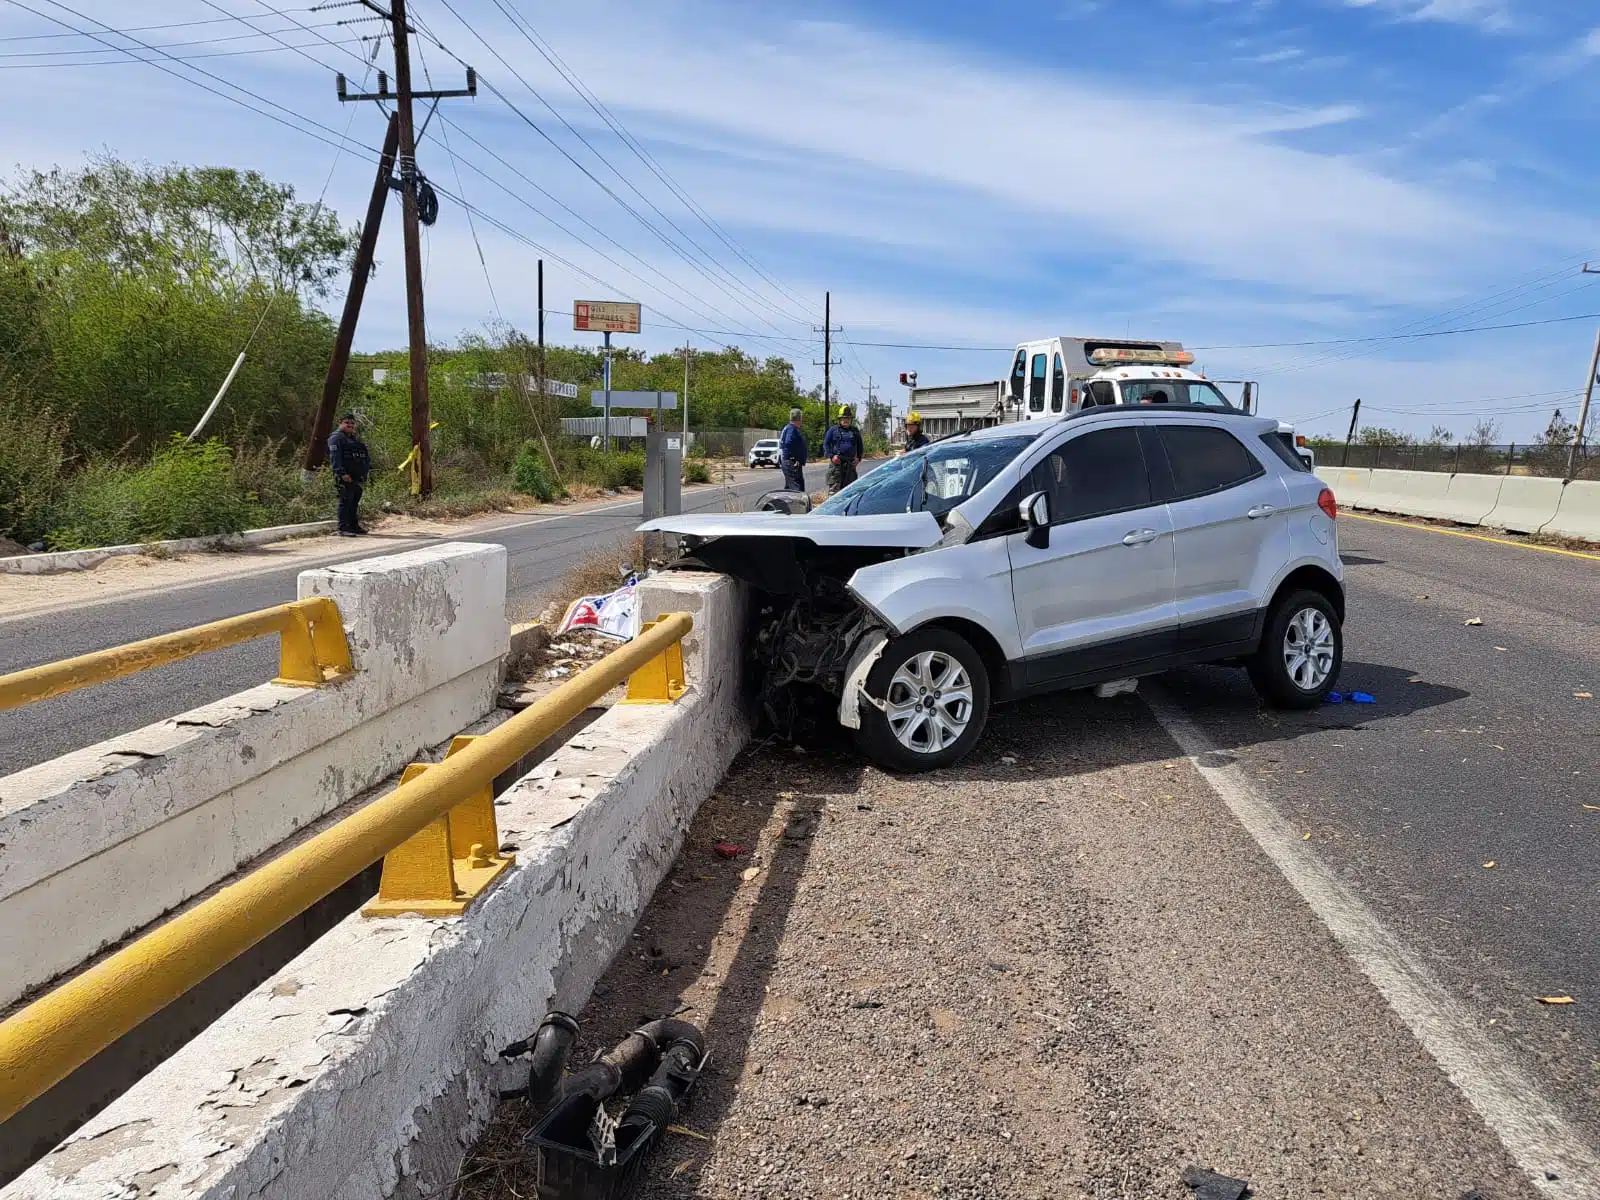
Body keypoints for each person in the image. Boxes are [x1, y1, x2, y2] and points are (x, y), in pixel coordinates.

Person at [327, 412, 371, 536]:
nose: (350, 425)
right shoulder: (336, 438)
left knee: (355, 497)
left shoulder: (353, 438)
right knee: (346, 500)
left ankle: (353, 525)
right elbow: (335, 458)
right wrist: (342, 473)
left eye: (352, 423)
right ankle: (343, 528)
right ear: (340, 424)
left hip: (355, 476)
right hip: (344, 476)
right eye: (346, 422)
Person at [824, 407, 865, 494]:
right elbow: (826, 445)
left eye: (848, 418)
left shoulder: (855, 431)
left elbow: (860, 446)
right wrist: (832, 456)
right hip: (836, 465)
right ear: (840, 419)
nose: (846, 420)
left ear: (851, 419)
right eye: (843, 418)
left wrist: (858, 458)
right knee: (834, 492)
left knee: (850, 492)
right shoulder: (833, 430)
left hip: (850, 465)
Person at [778, 407, 808, 493]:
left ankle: (785, 505)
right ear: (799, 418)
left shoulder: (788, 428)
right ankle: (798, 506)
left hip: (787, 461)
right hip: (791, 462)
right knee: (797, 489)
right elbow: (788, 442)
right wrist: (794, 458)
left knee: (789, 487)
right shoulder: (791, 429)